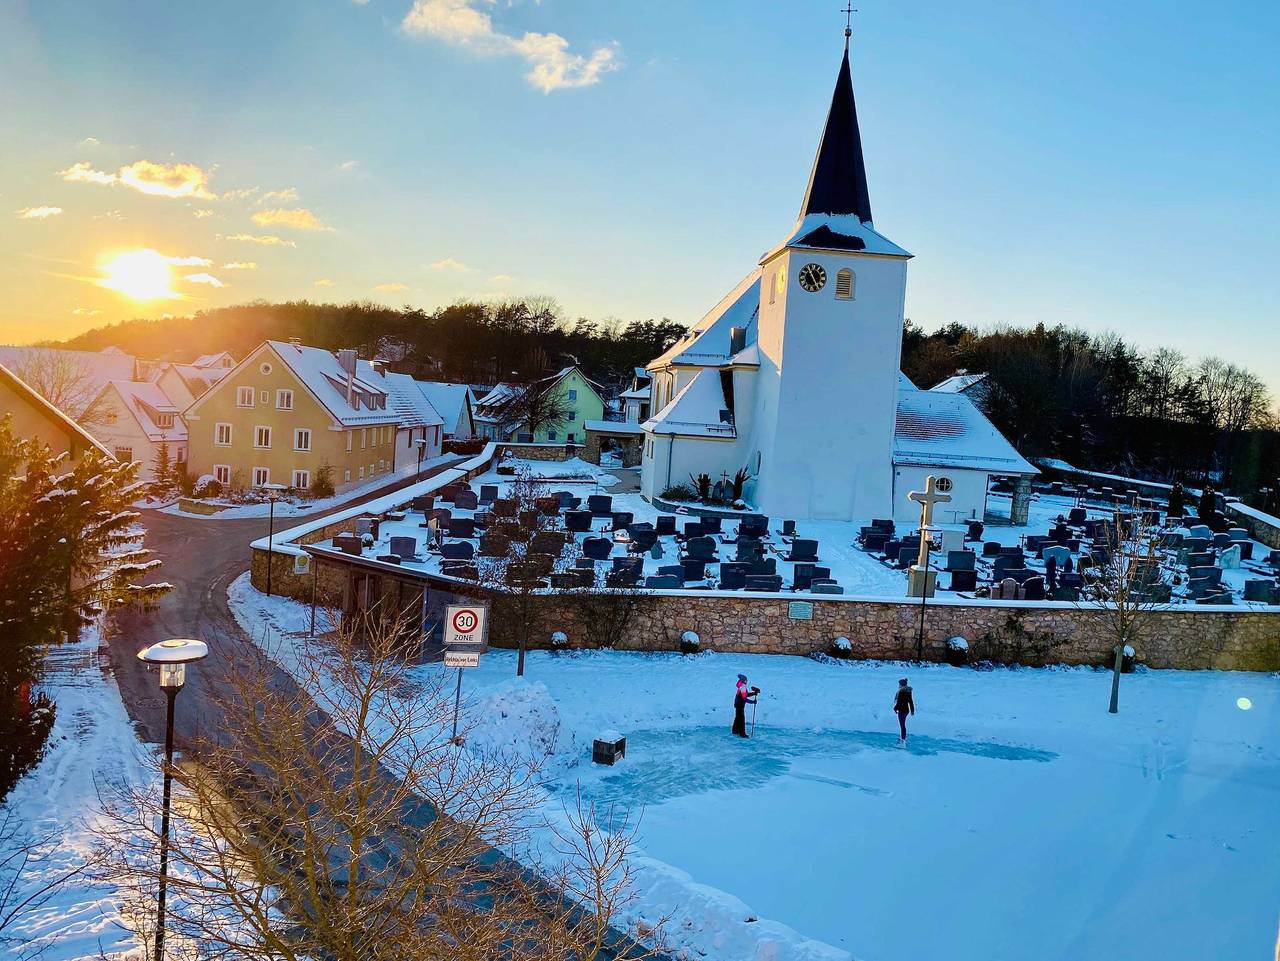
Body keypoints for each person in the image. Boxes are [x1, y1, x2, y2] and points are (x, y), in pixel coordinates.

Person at [732, 673, 758, 738]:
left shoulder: (741, 686)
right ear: (744, 680)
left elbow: (745, 695)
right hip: (740, 705)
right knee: (741, 719)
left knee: (737, 718)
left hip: (738, 704)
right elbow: (744, 699)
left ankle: (735, 731)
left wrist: (753, 693)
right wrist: (752, 702)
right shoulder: (743, 687)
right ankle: (742, 733)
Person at [893, 677, 915, 743]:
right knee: (903, 725)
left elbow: (899, 702)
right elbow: (910, 701)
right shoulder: (908, 691)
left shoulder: (901, 692)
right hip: (906, 710)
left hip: (901, 710)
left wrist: (895, 708)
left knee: (902, 725)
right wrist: (912, 710)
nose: (898, 685)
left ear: (901, 685)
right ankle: (903, 737)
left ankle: (903, 739)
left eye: (899, 684)